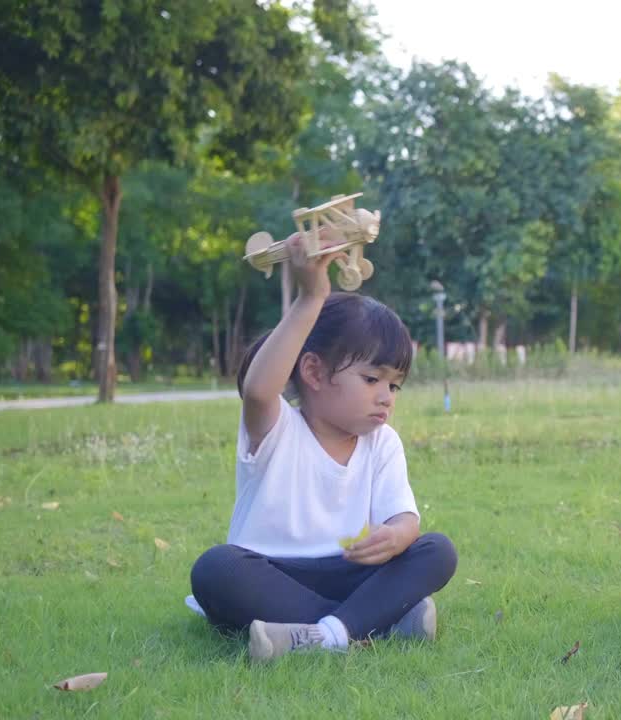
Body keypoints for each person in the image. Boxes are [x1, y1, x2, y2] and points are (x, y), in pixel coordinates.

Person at [188, 233, 457, 662]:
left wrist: (396, 536)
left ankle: (321, 635)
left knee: (437, 550)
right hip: (272, 572)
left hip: (351, 570)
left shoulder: (382, 443)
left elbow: (405, 517)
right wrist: (311, 296)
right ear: (313, 372)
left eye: (394, 385)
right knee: (216, 569)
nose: (386, 395)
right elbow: (258, 391)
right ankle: (372, 623)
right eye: (372, 380)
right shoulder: (278, 429)